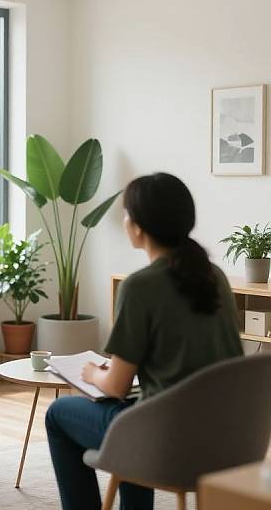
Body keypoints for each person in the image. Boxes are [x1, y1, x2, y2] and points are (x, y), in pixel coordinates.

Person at [45, 172, 243, 510]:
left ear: (137, 226)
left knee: (59, 414)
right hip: (227, 437)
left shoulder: (140, 286)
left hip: (166, 440)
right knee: (135, 414)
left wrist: (92, 373)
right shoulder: (215, 276)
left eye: (126, 214)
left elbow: (117, 387)